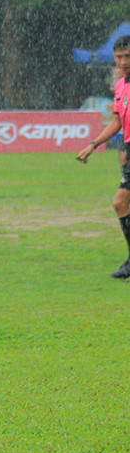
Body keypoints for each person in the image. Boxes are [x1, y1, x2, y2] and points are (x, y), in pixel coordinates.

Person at [77, 35, 130, 278]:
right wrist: (93, 144)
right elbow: (117, 122)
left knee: (120, 203)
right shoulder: (120, 86)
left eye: (127, 56)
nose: (122, 61)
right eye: (119, 57)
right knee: (121, 204)